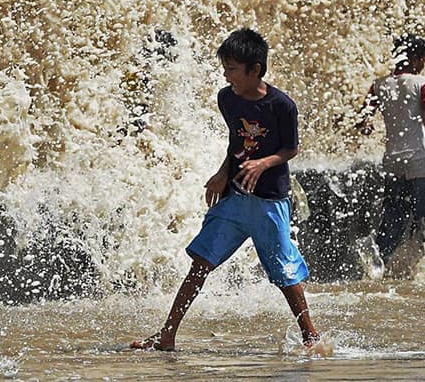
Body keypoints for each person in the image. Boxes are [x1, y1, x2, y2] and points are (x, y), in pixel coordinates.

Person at [130, 28, 320, 351]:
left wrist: (263, 164)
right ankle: (167, 334)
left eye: (232, 68)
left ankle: (311, 336)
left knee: (285, 274)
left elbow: (291, 149)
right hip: (234, 200)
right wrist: (222, 172)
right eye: (225, 67)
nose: (225, 74)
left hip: (268, 203)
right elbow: (236, 142)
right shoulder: (227, 98)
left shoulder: (281, 106)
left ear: (254, 69)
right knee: (200, 263)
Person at [357, 34, 425, 278]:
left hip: (393, 161)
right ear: (416, 59)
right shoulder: (420, 82)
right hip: (419, 161)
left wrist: (366, 127)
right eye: (423, 59)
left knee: (394, 218)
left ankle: (376, 266)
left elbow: (362, 119)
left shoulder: (379, 85)